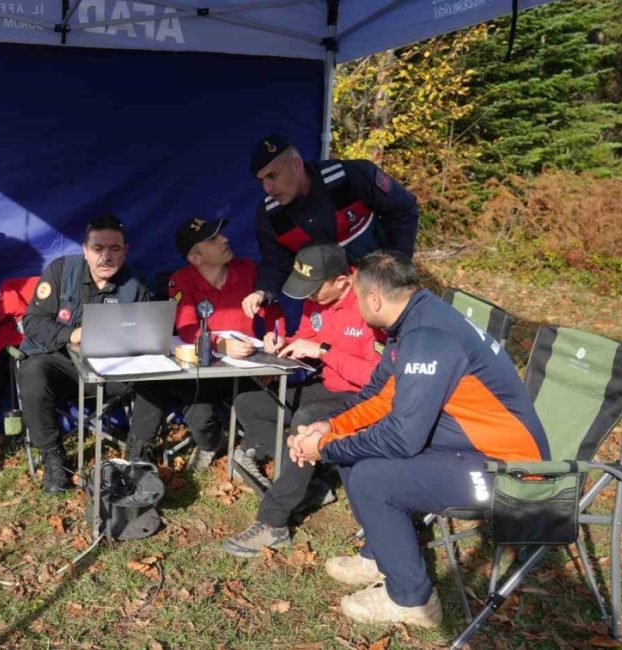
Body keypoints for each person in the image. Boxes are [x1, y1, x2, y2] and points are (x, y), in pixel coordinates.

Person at [288, 251, 548, 627]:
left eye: (359, 298)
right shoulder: (414, 320)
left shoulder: (428, 338)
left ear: (374, 299)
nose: (358, 306)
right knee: (353, 453)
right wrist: (330, 427)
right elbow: (380, 395)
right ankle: (381, 553)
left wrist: (324, 448)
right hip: (469, 448)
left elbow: (403, 439)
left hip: (516, 475)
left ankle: (412, 600)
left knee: (372, 478)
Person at [221, 242, 384, 557]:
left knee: (306, 419)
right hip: (331, 385)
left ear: (341, 281)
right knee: (249, 404)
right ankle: (310, 484)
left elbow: (379, 378)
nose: (309, 297)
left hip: (364, 397)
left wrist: (324, 353)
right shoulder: (318, 298)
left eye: (313, 290)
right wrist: (283, 342)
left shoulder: (371, 305)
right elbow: (308, 334)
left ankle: (274, 521)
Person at [18, 215, 152, 494]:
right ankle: (53, 457)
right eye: (98, 248)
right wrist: (72, 334)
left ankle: (138, 452)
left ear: (126, 251)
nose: (106, 256)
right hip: (61, 364)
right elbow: (32, 322)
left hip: (111, 368)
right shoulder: (60, 271)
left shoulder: (136, 284)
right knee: (32, 373)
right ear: (85, 249)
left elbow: (147, 330)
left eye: (114, 249)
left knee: (154, 377)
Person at [124, 217, 273, 469]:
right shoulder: (179, 279)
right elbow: (187, 327)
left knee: (267, 409)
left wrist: (272, 335)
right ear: (195, 257)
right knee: (200, 416)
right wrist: (219, 344)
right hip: (206, 368)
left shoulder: (248, 269)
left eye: (221, 234)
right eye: (213, 239)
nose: (225, 239)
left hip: (250, 367)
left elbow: (272, 308)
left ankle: (254, 454)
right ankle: (212, 444)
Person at [240, 133, 419, 322]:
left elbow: (403, 209)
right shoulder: (270, 215)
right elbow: (275, 262)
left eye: (272, 176)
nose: (267, 188)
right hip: (330, 307)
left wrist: (397, 266)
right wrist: (262, 291)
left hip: (382, 291)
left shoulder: (351, 176)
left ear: (297, 164)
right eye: (262, 180)